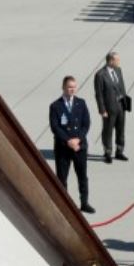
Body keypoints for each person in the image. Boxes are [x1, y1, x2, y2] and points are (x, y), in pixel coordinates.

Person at [50, 76, 94, 212]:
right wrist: (68, 141)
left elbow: (86, 124)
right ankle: (64, 205)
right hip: (63, 148)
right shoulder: (55, 106)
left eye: (74, 87)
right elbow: (55, 127)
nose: (72, 89)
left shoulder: (81, 103)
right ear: (63, 87)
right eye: (69, 87)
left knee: (82, 176)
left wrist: (78, 139)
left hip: (79, 147)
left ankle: (84, 203)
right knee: (62, 178)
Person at [94, 51, 129, 163]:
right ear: (111, 61)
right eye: (117, 60)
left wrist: (126, 103)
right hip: (109, 108)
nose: (119, 62)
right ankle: (107, 152)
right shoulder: (100, 75)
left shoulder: (118, 70)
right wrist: (102, 109)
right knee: (108, 131)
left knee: (121, 130)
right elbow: (99, 94)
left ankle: (119, 151)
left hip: (121, 106)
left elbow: (122, 86)